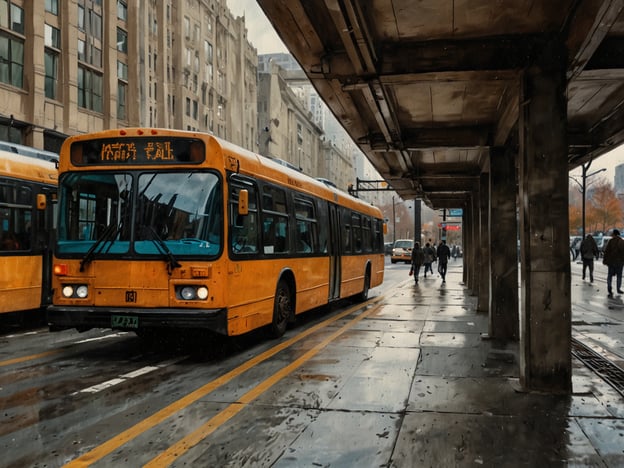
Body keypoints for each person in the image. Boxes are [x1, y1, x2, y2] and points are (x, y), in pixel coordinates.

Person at [602, 229, 624, 298]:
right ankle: (618, 289)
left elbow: (606, 252)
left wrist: (605, 260)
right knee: (619, 276)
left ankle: (609, 288)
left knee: (609, 276)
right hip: (619, 262)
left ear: (614, 234)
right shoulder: (622, 241)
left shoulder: (610, 241)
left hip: (611, 262)